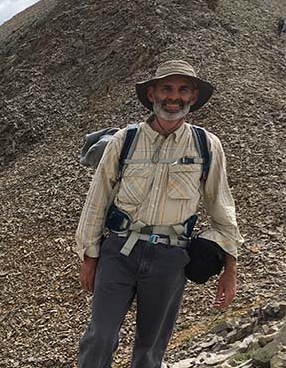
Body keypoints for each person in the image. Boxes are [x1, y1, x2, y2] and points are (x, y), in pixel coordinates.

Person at [75, 60, 243, 367]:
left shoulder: (207, 145)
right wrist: (90, 256)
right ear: (152, 93)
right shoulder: (124, 141)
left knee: (151, 347)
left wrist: (230, 269)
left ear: (193, 97)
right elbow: (97, 199)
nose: (173, 97)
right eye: (166, 88)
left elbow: (221, 206)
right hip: (119, 252)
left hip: (171, 257)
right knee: (100, 336)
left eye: (182, 90)